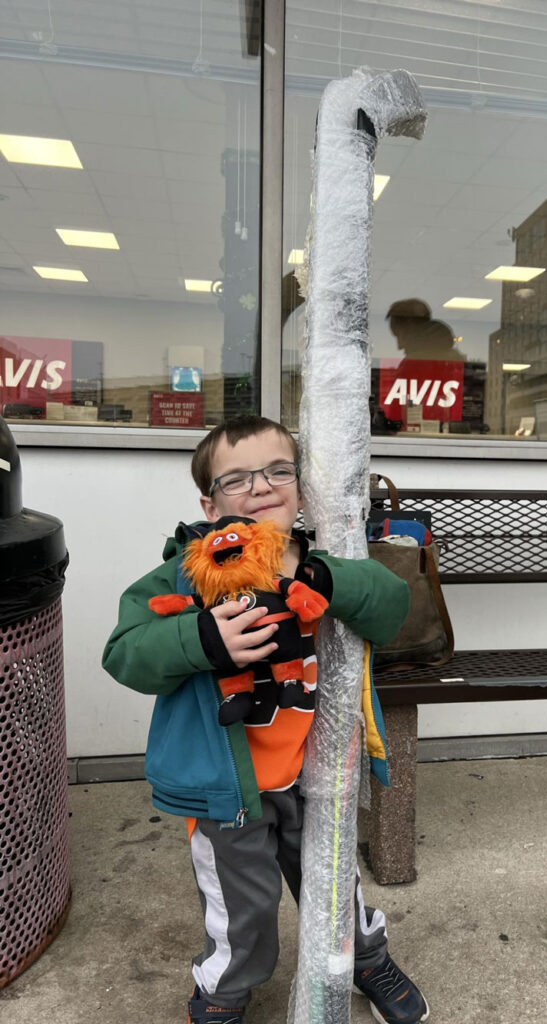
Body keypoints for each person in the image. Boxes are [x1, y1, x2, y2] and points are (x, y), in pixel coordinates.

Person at [102, 413, 429, 1024]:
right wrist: (201, 638)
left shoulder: (326, 558)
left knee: (336, 886)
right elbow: (124, 653)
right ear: (209, 501)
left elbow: (393, 612)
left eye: (279, 470)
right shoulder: (185, 575)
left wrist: (328, 578)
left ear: (301, 488)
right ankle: (225, 989)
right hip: (228, 789)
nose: (260, 486)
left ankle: (366, 958)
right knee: (240, 908)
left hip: (317, 775)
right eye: (238, 478)